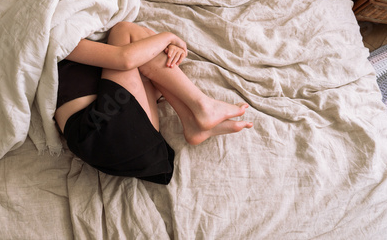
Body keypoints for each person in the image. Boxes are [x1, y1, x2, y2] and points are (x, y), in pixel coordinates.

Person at [54, 21, 253, 184]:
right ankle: (202, 106)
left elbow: (151, 65)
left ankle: (191, 121)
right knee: (124, 30)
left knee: (144, 49)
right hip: (100, 128)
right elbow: (124, 58)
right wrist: (169, 36)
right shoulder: (59, 39)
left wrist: (168, 46)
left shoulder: (108, 71)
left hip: (123, 139)